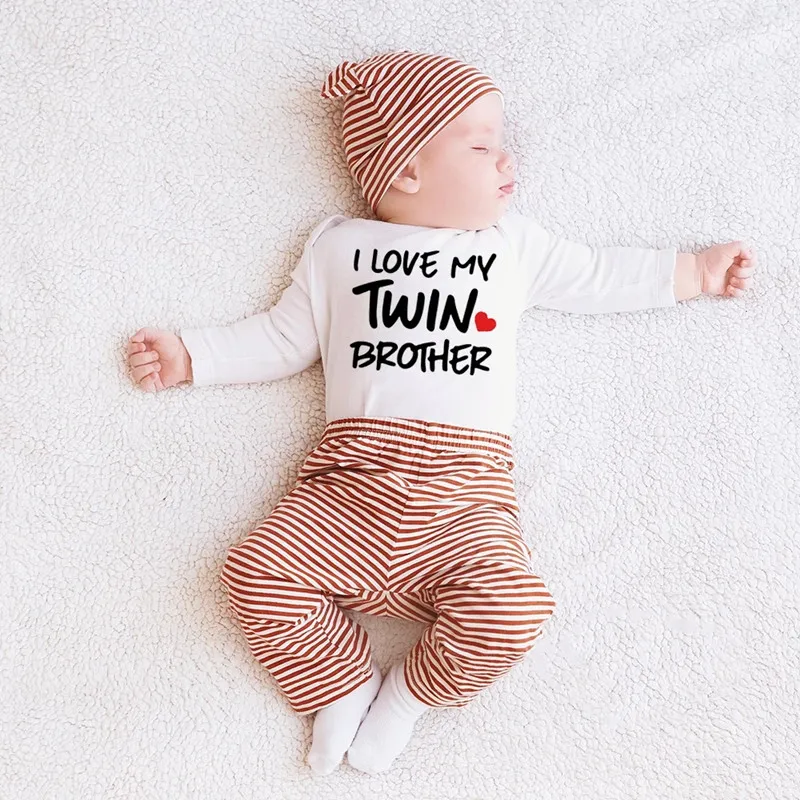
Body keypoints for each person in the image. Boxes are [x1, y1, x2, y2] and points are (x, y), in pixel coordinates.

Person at [126, 50, 757, 775]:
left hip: (466, 496)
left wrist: (695, 271)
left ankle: (406, 696)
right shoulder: (339, 248)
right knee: (255, 574)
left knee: (514, 612)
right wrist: (192, 356)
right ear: (406, 171)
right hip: (349, 488)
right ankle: (340, 681)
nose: (508, 159)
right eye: (482, 147)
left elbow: (597, 274)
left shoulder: (512, 247)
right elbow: (281, 339)